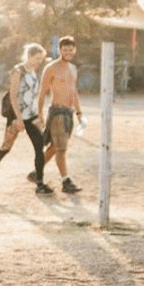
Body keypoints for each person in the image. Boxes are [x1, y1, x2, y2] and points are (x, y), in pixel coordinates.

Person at [0, 43, 49, 193]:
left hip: (31, 117)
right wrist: (18, 119)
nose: (39, 61)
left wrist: (39, 115)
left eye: (41, 59)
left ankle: (40, 183)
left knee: (39, 147)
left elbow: (33, 96)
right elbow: (13, 96)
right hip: (17, 116)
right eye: (37, 58)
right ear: (30, 56)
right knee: (6, 147)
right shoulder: (18, 71)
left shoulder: (33, 72)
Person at [38, 36, 86, 194]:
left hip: (68, 113)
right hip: (57, 112)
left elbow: (74, 92)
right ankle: (66, 181)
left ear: (75, 50)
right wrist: (39, 114)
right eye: (64, 50)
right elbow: (42, 92)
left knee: (54, 148)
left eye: (70, 50)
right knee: (61, 149)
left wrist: (79, 113)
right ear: (59, 50)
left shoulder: (73, 69)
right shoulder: (51, 68)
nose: (68, 52)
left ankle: (36, 172)